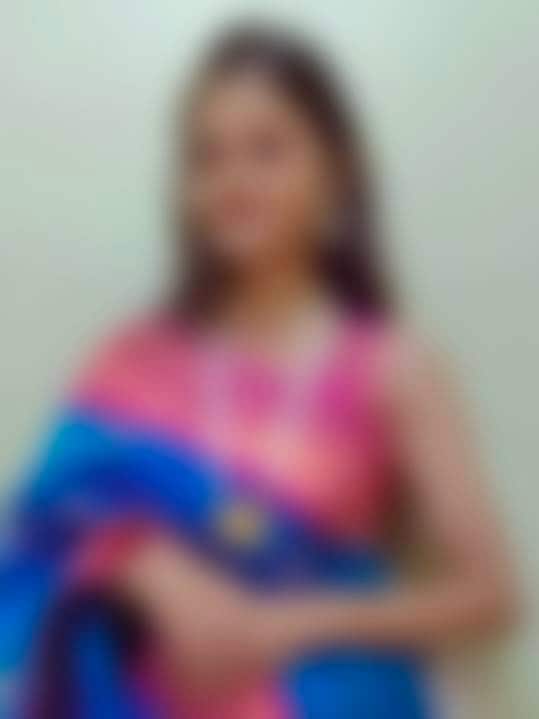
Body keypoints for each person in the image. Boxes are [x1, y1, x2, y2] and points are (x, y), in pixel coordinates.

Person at [1, 25, 517, 719]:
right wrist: (136, 561)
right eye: (206, 156)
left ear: (336, 168)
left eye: (266, 149)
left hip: (329, 694)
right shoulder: (133, 360)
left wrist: (280, 625)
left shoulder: (390, 366)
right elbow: (40, 530)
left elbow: (489, 594)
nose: (232, 181)